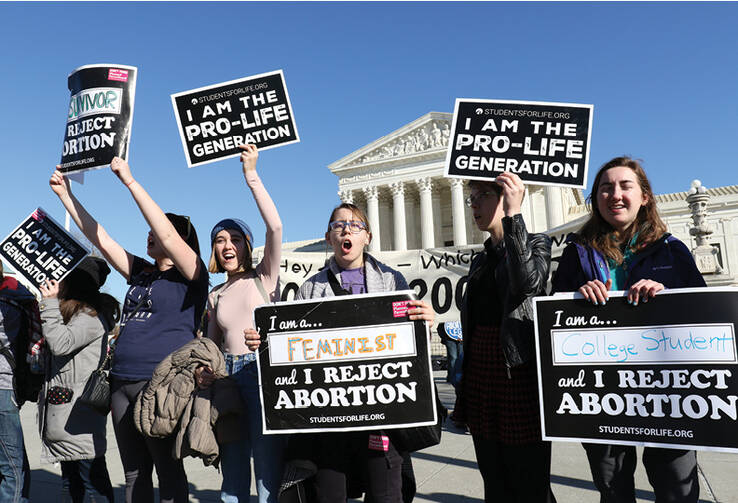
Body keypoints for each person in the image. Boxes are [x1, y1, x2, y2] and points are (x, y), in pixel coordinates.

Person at [247, 202, 435, 503]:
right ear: (329, 237)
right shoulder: (310, 289)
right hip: (328, 423)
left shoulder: (391, 282)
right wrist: (265, 344)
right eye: (338, 225)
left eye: (355, 225)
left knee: (386, 492)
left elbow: (410, 347)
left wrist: (424, 323)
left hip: (380, 415)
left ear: (367, 237)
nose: (347, 229)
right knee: (328, 494)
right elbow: (293, 346)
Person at [50, 157, 209, 503]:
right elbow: (102, 240)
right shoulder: (142, 273)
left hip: (162, 385)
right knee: (134, 472)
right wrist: (67, 198)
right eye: (150, 229)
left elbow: (166, 231)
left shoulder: (192, 275)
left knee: (168, 471)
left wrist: (130, 181)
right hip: (121, 383)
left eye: (160, 229)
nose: (151, 232)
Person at [551, 156, 704, 503]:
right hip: (601, 392)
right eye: (605, 188)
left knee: (676, 486)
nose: (615, 194)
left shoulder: (673, 250)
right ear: (595, 199)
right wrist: (575, 297)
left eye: (625, 186)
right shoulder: (577, 254)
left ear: (645, 196)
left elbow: (704, 312)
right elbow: (553, 313)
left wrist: (668, 295)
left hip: (669, 394)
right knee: (612, 486)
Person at [453, 172, 556, 503]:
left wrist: (514, 217)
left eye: (481, 196)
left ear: (505, 196)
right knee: (494, 479)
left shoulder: (538, 243)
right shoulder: (480, 260)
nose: (474, 206)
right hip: (482, 373)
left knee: (529, 481)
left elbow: (526, 283)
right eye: (471, 199)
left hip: (517, 372)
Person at [194, 144, 286, 503]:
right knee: (232, 467)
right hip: (227, 380)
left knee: (266, 464)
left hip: (259, 374)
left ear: (247, 246)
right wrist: (205, 368)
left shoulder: (264, 278)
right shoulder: (216, 294)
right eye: (219, 240)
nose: (226, 245)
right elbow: (211, 345)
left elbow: (275, 227)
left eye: (234, 239)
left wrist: (251, 175)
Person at [38, 257, 119, 502]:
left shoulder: (89, 317)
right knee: (74, 483)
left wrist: (49, 304)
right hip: (65, 413)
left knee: (90, 483)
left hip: (78, 415)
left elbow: (61, 344)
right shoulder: (77, 315)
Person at [0, 263, 37, 503]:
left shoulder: (7, 303)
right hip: (8, 387)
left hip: (3, 386)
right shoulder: (18, 297)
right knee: (15, 463)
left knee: (11, 468)